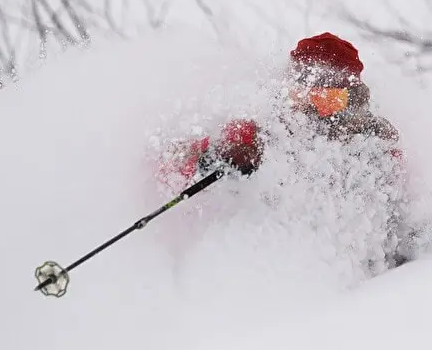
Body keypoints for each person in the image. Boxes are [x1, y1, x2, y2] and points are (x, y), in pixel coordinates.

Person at [157, 32, 416, 270]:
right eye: (301, 93)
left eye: (328, 99)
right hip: (266, 270)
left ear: (354, 98)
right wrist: (217, 157)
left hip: (359, 281)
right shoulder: (264, 132)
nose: (312, 109)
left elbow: (404, 212)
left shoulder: (375, 142)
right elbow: (175, 164)